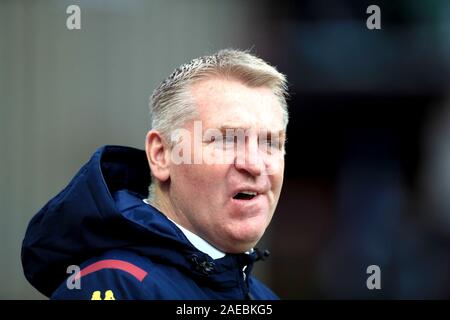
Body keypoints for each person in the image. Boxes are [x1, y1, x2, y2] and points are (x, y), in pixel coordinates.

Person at [21, 49, 289, 300]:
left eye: (271, 143)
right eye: (227, 141)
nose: (255, 165)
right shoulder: (112, 285)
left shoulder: (262, 297)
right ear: (161, 155)